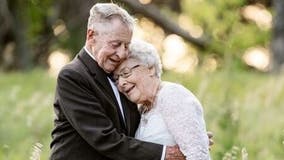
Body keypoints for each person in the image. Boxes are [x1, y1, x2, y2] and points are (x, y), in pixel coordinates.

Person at [50, 3, 186, 160]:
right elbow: (104, 139)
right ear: (91, 35)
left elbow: (138, 129)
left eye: (126, 46)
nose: (122, 54)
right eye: (115, 45)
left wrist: (182, 135)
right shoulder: (73, 76)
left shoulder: (121, 76)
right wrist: (165, 153)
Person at [113, 39, 211, 160]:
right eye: (116, 79)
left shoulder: (172, 95)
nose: (121, 83)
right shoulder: (143, 109)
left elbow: (197, 154)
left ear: (150, 68)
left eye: (126, 73)